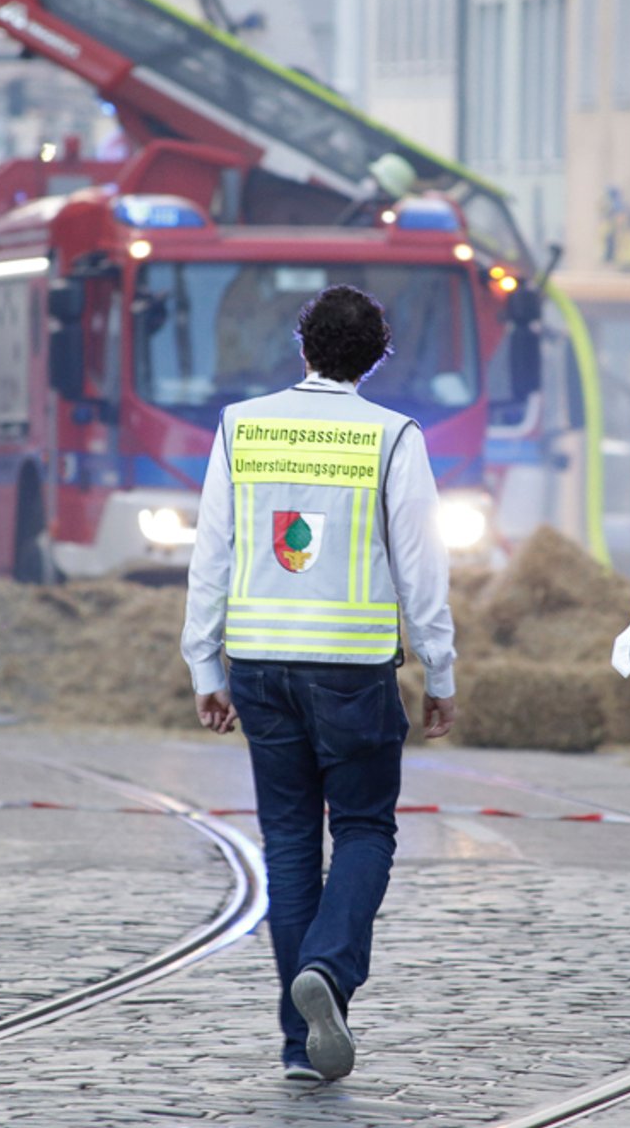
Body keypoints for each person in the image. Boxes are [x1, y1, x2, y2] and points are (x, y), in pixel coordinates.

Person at [181, 285, 458, 1083]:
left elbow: (213, 554)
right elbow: (421, 567)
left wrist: (205, 664)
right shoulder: (394, 436)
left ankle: (300, 1046)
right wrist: (439, 670)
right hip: (353, 668)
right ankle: (329, 974)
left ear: (303, 348)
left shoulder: (243, 426)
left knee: (293, 845)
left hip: (260, 666)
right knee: (367, 829)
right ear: (375, 357)